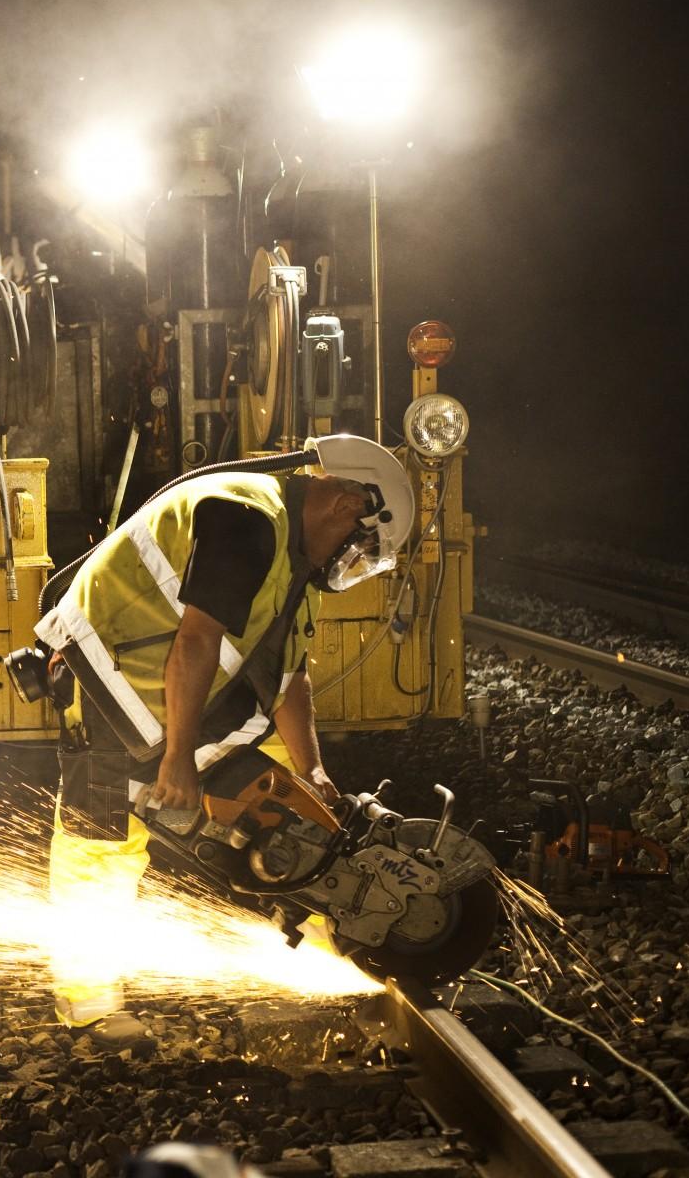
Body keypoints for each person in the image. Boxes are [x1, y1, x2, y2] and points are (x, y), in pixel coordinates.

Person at [22, 434, 414, 1028]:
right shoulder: (247, 519)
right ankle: (88, 1003)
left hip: (172, 700)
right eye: (356, 547)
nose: (343, 564)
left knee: (302, 816)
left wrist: (311, 772)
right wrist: (177, 758)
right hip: (110, 687)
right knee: (100, 842)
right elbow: (197, 641)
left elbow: (288, 677)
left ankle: (345, 955)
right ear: (349, 504)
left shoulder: (290, 554)